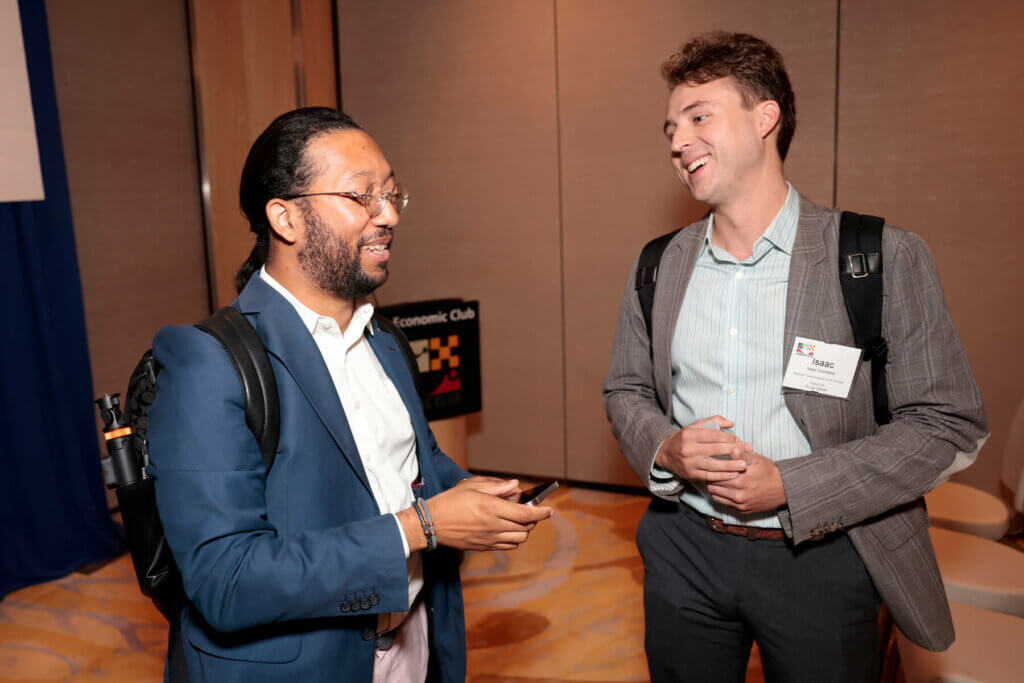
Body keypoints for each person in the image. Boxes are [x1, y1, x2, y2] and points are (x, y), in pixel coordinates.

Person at [603, 32, 988, 683]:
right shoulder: (659, 265)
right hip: (683, 548)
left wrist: (792, 485)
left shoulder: (878, 257)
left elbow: (948, 424)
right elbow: (625, 390)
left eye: (698, 117)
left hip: (823, 556)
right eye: (671, 127)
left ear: (765, 118)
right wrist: (667, 448)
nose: (677, 141)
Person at [147, 107, 551, 683]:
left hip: (413, 643)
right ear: (286, 218)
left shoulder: (384, 338)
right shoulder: (209, 361)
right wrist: (421, 527)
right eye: (361, 196)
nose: (388, 215)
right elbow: (226, 580)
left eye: (391, 194)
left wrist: (469, 493)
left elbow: (411, 459)